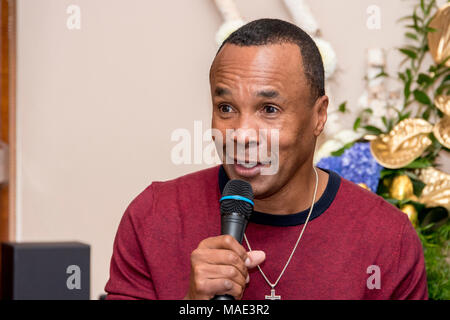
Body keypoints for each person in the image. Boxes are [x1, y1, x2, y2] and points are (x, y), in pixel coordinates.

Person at [104, 18, 428, 300]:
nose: (242, 135)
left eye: (269, 110)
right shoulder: (153, 217)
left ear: (319, 116)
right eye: (226, 108)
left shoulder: (386, 238)